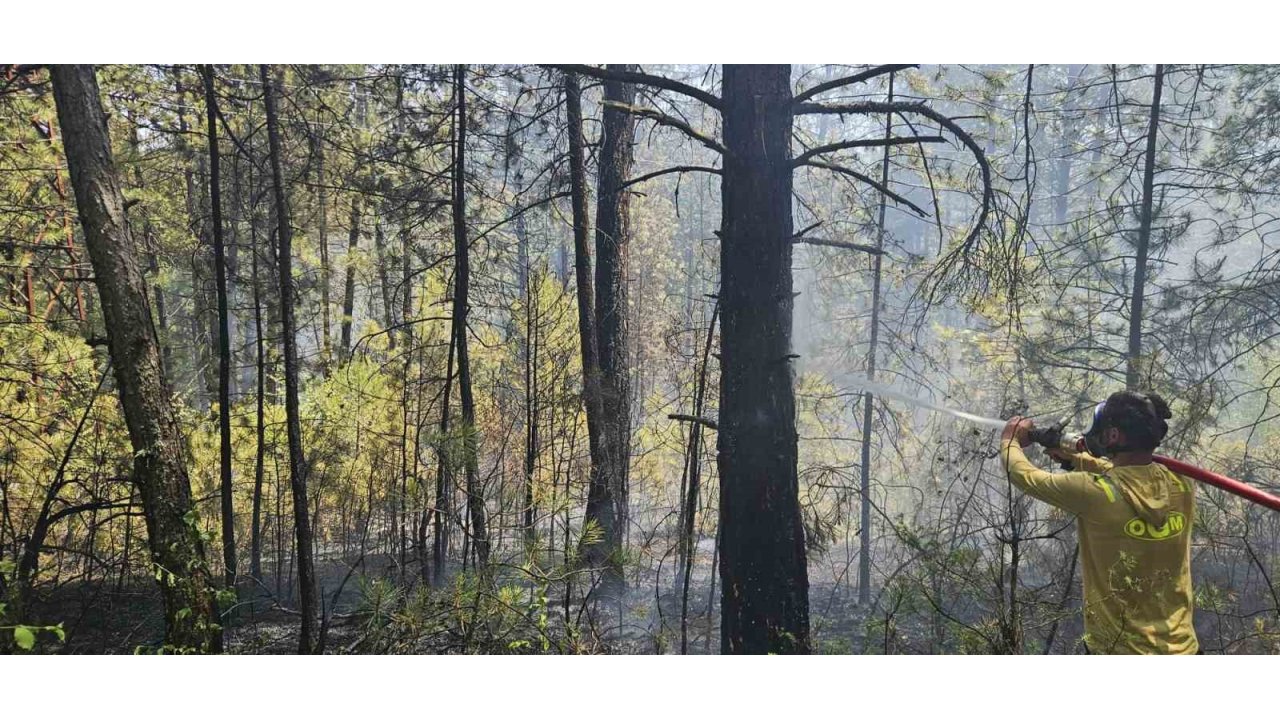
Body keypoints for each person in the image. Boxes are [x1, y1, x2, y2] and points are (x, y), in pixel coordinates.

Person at [1001, 390, 1198, 654]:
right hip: (1184, 649)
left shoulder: (1094, 493)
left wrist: (1010, 439)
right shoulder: (1181, 484)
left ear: (1114, 436)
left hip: (1119, 651)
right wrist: (1075, 459)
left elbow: (1024, 476)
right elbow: (1128, 476)